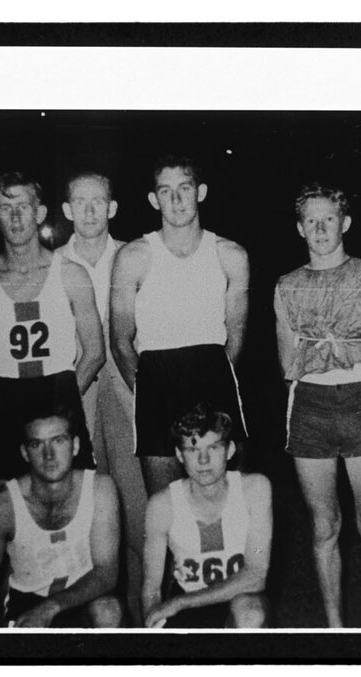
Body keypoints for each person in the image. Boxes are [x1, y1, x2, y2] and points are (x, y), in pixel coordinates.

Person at [274, 183, 361, 628]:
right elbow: (288, 362)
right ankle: (335, 629)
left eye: (329, 219)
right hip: (309, 408)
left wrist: (353, 382)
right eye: (312, 220)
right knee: (324, 527)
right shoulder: (287, 286)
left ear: (344, 223)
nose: (321, 228)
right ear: (300, 228)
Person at [110, 155, 250, 497]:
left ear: (200, 192)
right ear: (153, 199)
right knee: (166, 508)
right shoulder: (133, 257)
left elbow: (236, 338)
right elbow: (120, 341)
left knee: (225, 507)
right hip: (157, 384)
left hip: (213, 379)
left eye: (184, 188)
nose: (176, 200)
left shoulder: (230, 255)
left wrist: (210, 375)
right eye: (166, 191)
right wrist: (148, 387)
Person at [0, 172, 105, 484]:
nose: (15, 217)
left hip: (59, 393)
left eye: (24, 207)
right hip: (6, 397)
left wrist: (61, 405)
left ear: (40, 213)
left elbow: (95, 353)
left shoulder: (71, 274)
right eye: (5, 208)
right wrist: (9, 401)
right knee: (7, 505)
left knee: (73, 496)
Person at [55, 171, 147, 624]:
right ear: (67, 209)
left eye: (99, 202)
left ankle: (142, 622)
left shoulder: (135, 257)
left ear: (112, 207)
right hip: (77, 396)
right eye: (80, 202)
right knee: (87, 515)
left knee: (137, 515)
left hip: (128, 395)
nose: (90, 211)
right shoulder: (52, 263)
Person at [0, 407, 123, 627]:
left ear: (75, 445)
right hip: (26, 601)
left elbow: (107, 573)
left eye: (58, 441)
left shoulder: (100, 488)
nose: (48, 455)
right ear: (24, 452)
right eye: (37, 444)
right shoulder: (2, 506)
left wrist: (50, 609)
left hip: (83, 596)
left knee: (108, 610)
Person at [141, 403, 271, 628]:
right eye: (193, 450)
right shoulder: (163, 504)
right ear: (179, 455)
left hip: (237, 597)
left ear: (229, 450)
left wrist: (180, 603)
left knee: (251, 613)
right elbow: (151, 588)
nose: (203, 461)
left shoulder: (254, 489)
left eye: (213, 448)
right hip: (187, 602)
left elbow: (256, 575)